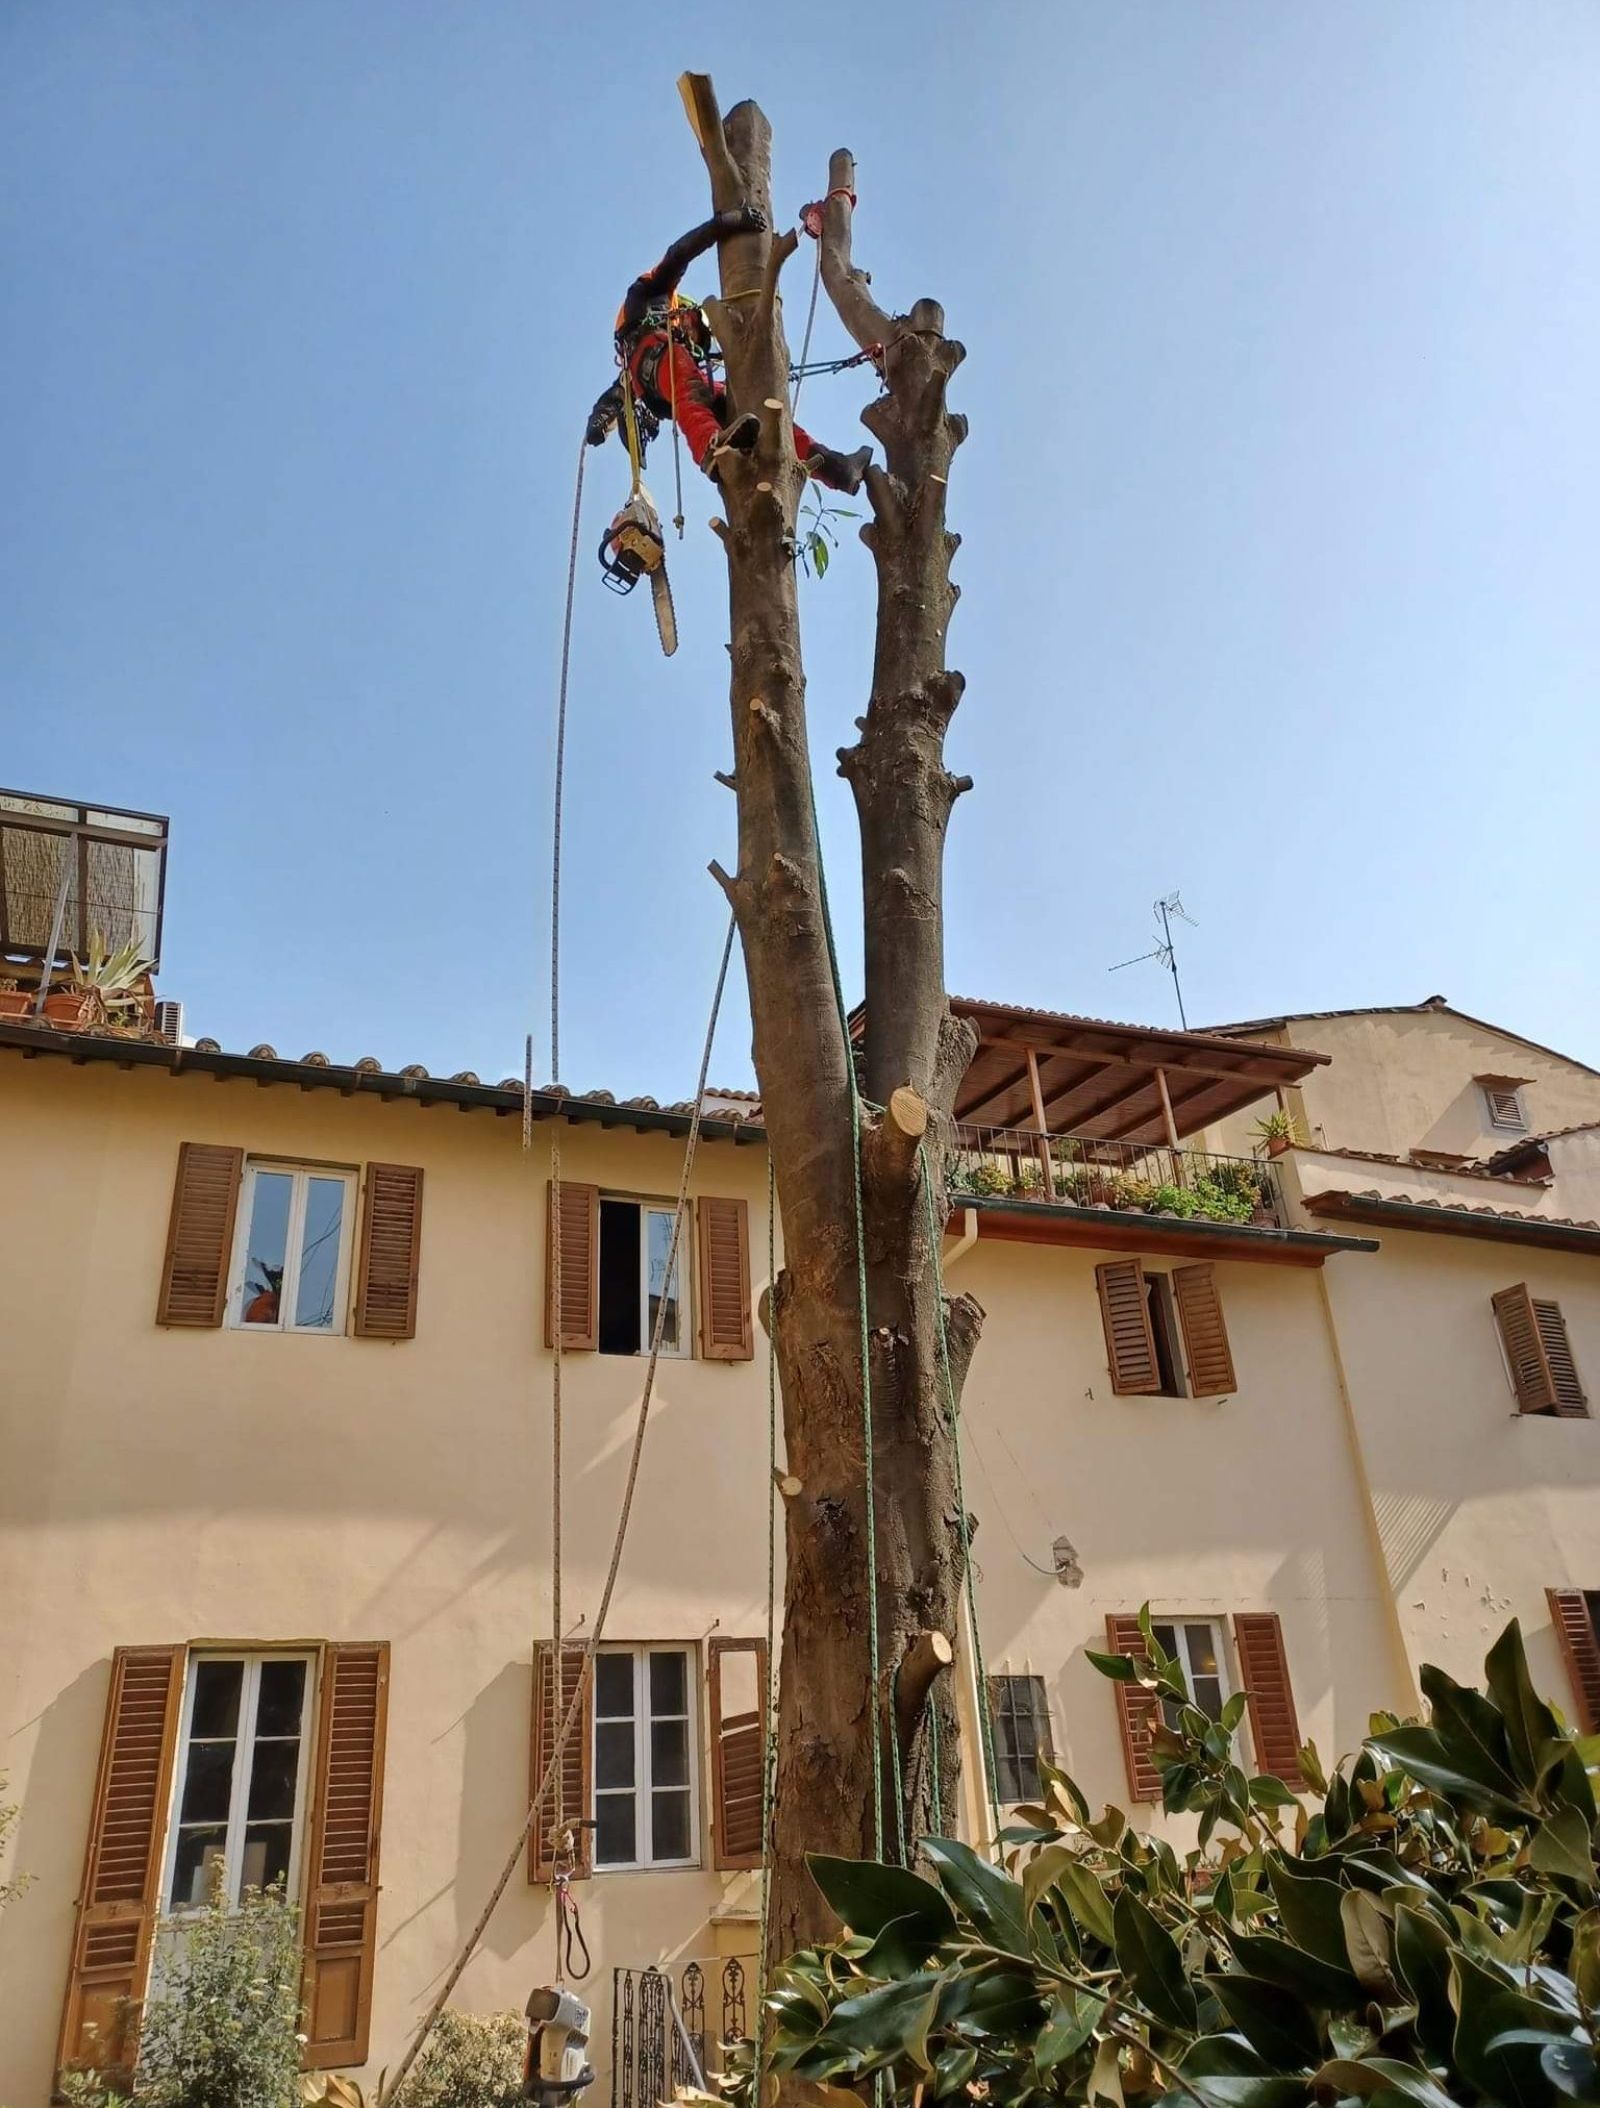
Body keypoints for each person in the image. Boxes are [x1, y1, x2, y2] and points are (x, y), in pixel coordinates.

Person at [586, 205, 872, 494]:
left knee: (748, 405)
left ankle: (837, 469)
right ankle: (712, 450)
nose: (692, 338)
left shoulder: (667, 358)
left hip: (681, 389)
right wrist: (727, 222)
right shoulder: (649, 297)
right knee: (686, 378)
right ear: (684, 312)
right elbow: (679, 253)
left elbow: (616, 395)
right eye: (694, 329)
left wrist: (600, 421)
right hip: (661, 363)